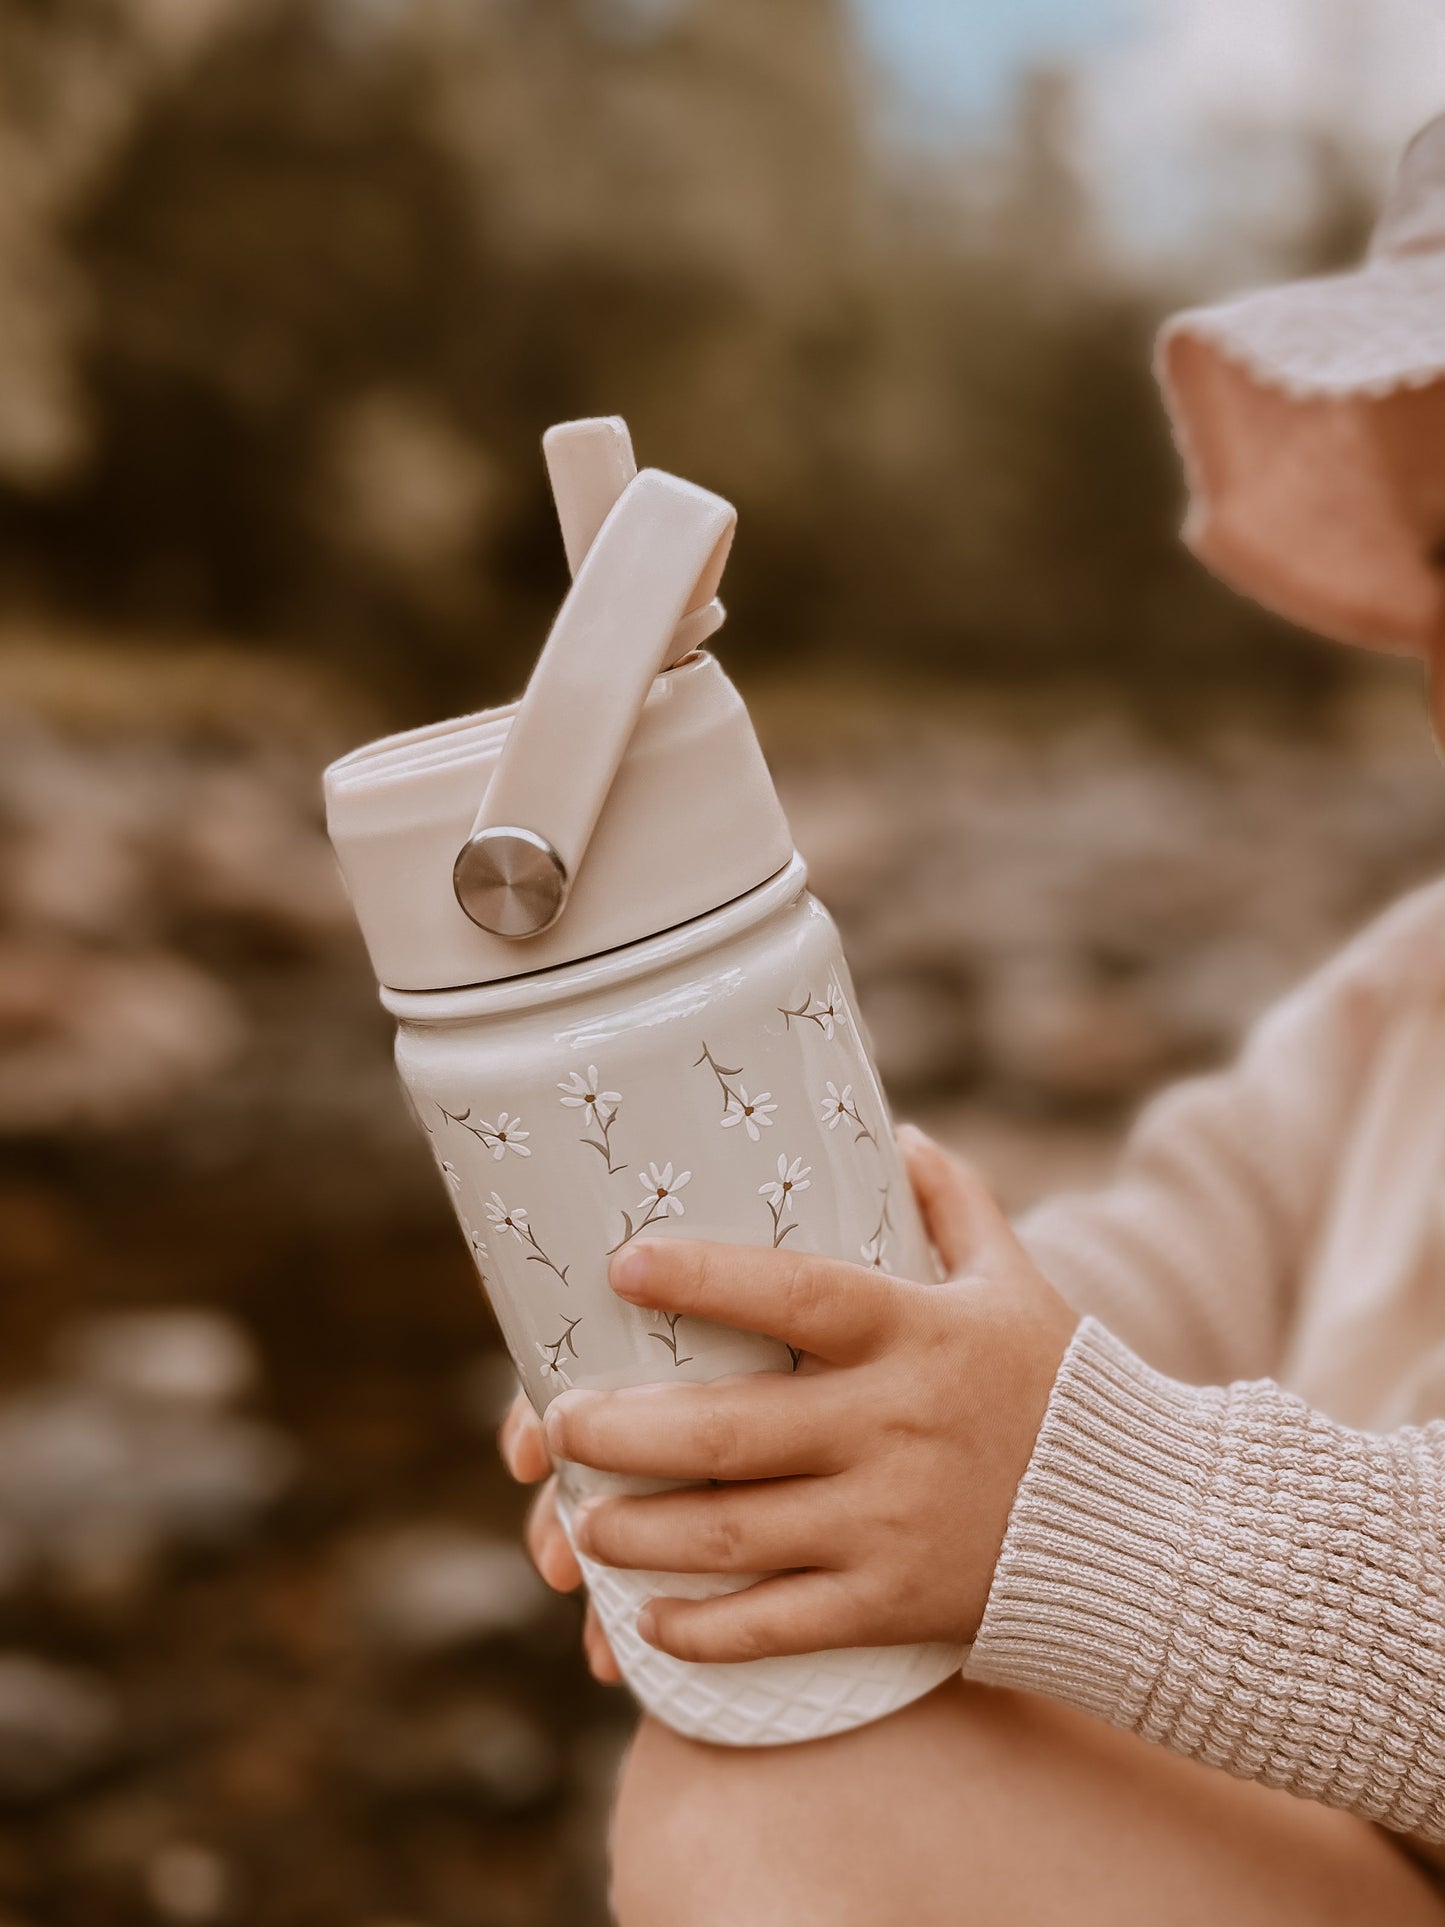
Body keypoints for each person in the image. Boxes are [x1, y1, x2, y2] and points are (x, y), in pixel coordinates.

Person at [498, 113, 1445, 1923]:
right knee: (789, 1777)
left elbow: (1117, 1477)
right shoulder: (1412, 993)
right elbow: (1178, 1245)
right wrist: (846, 1395)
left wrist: (1093, 1499)